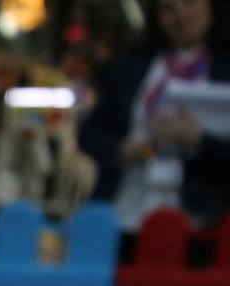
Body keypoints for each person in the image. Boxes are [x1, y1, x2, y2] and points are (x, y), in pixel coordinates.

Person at [79, 0, 230, 230]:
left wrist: (198, 140)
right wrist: (121, 149)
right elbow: (89, 134)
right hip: (126, 207)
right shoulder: (132, 65)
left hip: (200, 219)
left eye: (188, 3)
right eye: (167, 8)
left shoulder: (224, 68)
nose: (180, 14)